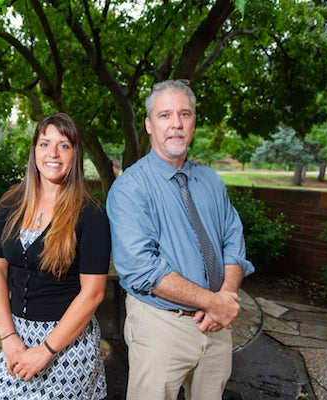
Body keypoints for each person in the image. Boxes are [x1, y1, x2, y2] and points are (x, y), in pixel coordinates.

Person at [106, 80, 255, 400]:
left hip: (216, 328)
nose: (176, 124)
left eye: (184, 114)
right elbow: (142, 269)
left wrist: (225, 297)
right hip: (161, 326)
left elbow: (234, 239)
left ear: (194, 122)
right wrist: (213, 302)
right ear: (148, 124)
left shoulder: (212, 182)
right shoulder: (131, 188)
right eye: (165, 115)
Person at [0, 112, 110, 400]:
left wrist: (45, 351)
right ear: (34, 151)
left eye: (64, 145)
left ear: (75, 154)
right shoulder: (10, 205)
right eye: (44, 144)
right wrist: (8, 337)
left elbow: (93, 294)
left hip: (66, 344)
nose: (52, 153)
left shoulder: (91, 214)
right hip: (15, 338)